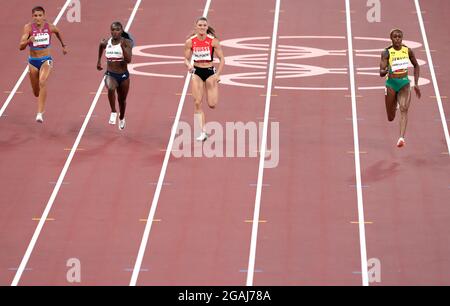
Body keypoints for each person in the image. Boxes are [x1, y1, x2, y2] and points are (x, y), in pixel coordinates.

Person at [19, 6, 68, 123]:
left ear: (44, 16)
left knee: (42, 81)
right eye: (35, 16)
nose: (38, 18)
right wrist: (28, 41)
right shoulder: (28, 28)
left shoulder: (50, 27)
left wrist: (64, 45)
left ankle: (40, 113)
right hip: (32, 62)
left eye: (40, 15)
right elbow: (20, 46)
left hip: (46, 60)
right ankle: (39, 102)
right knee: (36, 92)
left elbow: (58, 32)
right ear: (32, 16)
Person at [184, 17, 225, 141]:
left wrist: (218, 74)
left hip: (209, 72)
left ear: (207, 27)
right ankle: (202, 132)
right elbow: (186, 58)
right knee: (197, 102)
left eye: (204, 25)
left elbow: (222, 59)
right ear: (195, 26)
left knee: (212, 104)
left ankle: (209, 87)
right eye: (200, 25)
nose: (202, 27)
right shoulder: (190, 42)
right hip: (197, 72)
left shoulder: (213, 41)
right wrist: (189, 65)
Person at [379, 28, 421, 148]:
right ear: (391, 38)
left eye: (399, 37)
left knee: (404, 109)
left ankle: (401, 137)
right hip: (391, 84)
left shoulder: (407, 51)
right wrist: (386, 69)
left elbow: (416, 65)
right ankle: (394, 105)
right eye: (395, 37)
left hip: (404, 84)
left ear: (402, 38)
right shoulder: (386, 52)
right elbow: (381, 72)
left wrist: (416, 83)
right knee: (391, 117)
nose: (397, 39)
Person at [97, 21, 133, 130]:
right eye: (113, 30)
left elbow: (129, 60)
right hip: (110, 73)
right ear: (110, 31)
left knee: (122, 100)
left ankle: (121, 117)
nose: (115, 32)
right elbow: (101, 46)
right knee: (110, 88)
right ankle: (113, 111)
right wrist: (98, 61)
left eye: (117, 30)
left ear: (121, 31)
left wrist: (122, 48)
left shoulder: (127, 42)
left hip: (123, 76)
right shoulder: (106, 42)